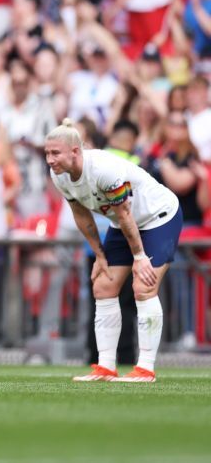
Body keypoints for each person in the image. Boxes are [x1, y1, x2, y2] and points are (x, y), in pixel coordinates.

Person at [45, 119, 182, 383]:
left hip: (158, 216)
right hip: (123, 223)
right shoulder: (59, 175)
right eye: (47, 153)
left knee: (143, 286)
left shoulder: (104, 169)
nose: (50, 160)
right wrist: (99, 255)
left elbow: (125, 213)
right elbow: (81, 214)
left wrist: (140, 258)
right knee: (103, 286)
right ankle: (106, 366)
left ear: (76, 151)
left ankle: (145, 369)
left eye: (55, 153)